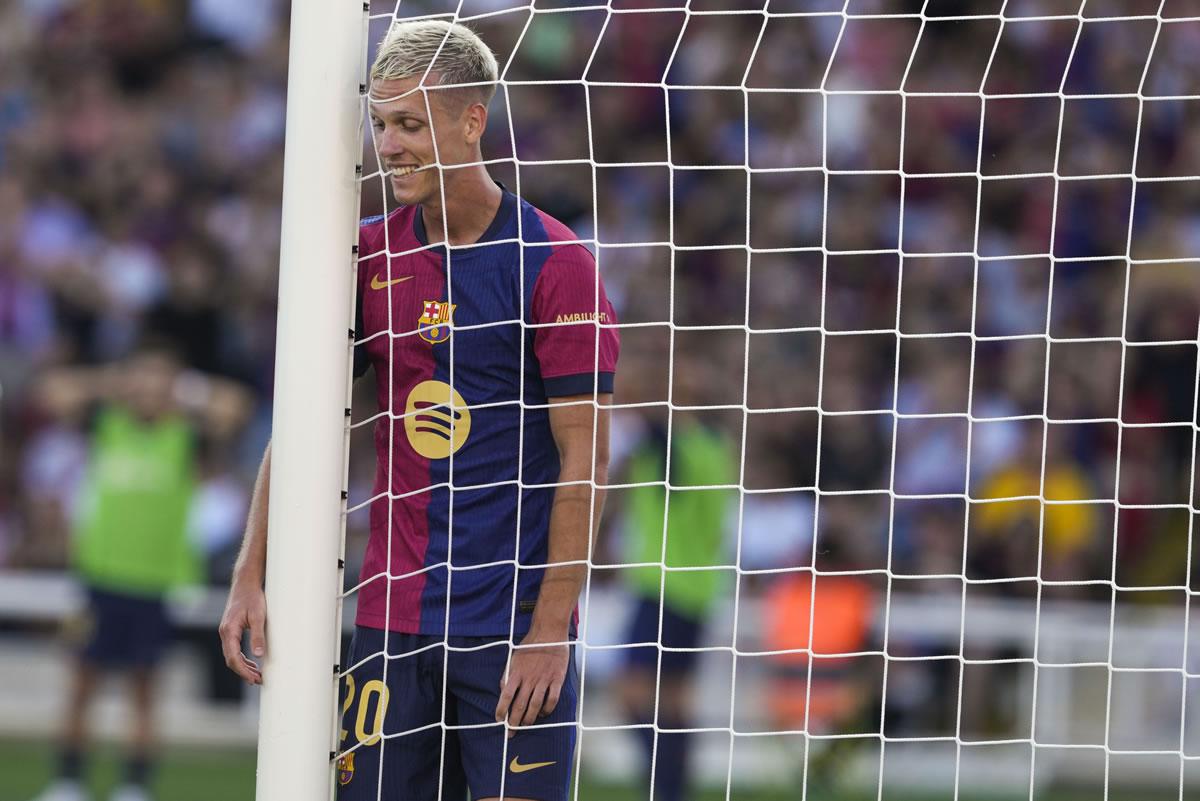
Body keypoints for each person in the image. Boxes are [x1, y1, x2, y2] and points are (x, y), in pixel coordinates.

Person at [218, 20, 620, 801]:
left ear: (472, 121)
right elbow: (304, 421)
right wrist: (249, 570)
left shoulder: (556, 263)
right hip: (393, 619)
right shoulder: (365, 255)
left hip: (510, 627)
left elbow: (588, 460)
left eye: (410, 123)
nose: (389, 145)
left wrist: (549, 630)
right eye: (380, 122)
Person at [28, 340, 252, 801]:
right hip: (100, 578)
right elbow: (52, 393)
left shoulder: (186, 435)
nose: (149, 387)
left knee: (143, 691)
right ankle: (68, 782)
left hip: (155, 583)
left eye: (159, 378)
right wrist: (115, 381)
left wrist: (182, 390)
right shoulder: (107, 423)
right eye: (142, 377)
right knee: (81, 684)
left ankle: (134, 786)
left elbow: (237, 407)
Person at [617, 405, 736, 801]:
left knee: (633, 694)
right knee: (675, 700)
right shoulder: (715, 447)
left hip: (661, 583)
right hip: (699, 587)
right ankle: (674, 790)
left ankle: (664, 787)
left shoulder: (663, 443)